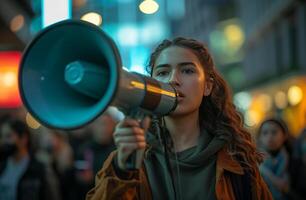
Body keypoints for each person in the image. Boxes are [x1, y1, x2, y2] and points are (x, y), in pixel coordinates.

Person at [86, 37, 272, 200]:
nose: (173, 80)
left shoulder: (236, 160)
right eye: (162, 73)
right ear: (152, 83)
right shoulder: (130, 157)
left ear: (207, 86)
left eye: (187, 71)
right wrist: (122, 170)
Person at [0, 118, 60, 200]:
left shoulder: (39, 169)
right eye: (2, 136)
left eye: (9, 136)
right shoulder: (2, 167)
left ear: (23, 139)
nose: (3, 141)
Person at [257, 118, 290, 200]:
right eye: (265, 133)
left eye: (274, 132)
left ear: (284, 135)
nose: (270, 137)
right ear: (260, 138)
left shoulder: (293, 161)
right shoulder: (254, 162)